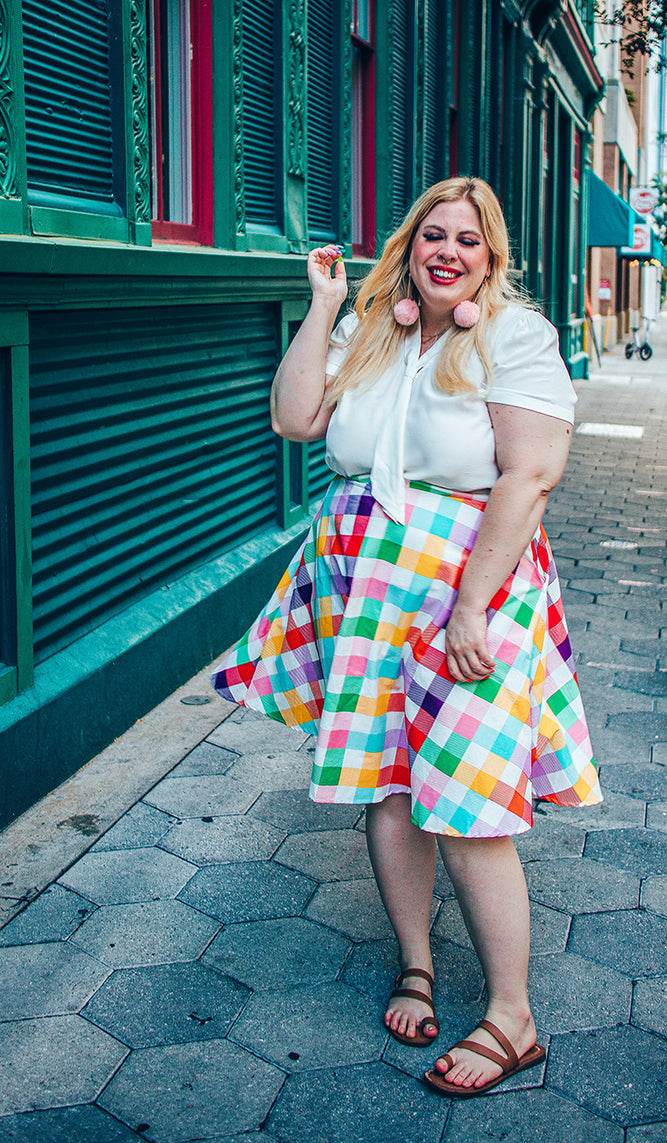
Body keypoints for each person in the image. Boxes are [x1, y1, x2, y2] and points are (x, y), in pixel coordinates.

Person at [213, 176, 601, 1098]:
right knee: (388, 784)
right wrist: (326, 305)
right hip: (364, 592)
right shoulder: (377, 330)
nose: (449, 252)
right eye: (434, 234)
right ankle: (417, 963)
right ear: (410, 243)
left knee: (467, 794)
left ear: (491, 256)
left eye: (469, 239)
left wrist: (472, 605)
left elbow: (532, 475)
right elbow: (295, 418)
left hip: (467, 589)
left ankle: (513, 1015)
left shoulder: (514, 336)